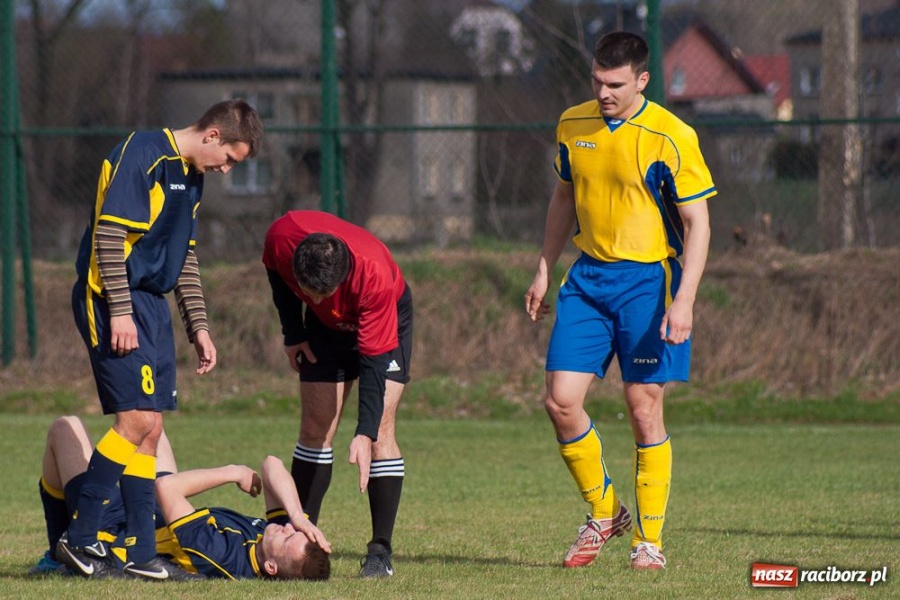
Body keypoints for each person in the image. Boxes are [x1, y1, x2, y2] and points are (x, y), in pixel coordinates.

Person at [524, 31, 715, 571]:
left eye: (615, 84)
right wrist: (544, 268)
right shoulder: (572, 123)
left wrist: (686, 300)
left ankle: (648, 541)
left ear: (642, 80)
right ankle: (605, 512)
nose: (603, 92)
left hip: (649, 283)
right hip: (587, 280)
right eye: (597, 81)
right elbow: (564, 197)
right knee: (560, 401)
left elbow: (699, 222)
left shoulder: (671, 135)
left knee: (642, 405)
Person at [60, 99, 264, 580]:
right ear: (212, 135)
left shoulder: (191, 176)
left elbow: (184, 258)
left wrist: (199, 326)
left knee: (151, 428)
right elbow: (109, 238)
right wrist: (122, 311)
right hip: (114, 298)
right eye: (230, 159)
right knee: (134, 420)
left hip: (150, 305)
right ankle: (81, 538)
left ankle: (141, 551)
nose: (228, 170)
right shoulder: (143, 153)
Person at [262, 210, 412, 578]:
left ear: (342, 277)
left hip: (385, 315)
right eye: (308, 292)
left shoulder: (372, 275)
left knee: (381, 436)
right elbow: (277, 277)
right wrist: (293, 331)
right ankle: (299, 535)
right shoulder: (282, 238)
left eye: (323, 294)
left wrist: (364, 431)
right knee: (315, 427)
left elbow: (375, 364)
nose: (316, 297)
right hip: (323, 331)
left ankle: (380, 554)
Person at [32, 415, 199, 580]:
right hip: (160, 509)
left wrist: (227, 473)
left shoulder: (218, 554)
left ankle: (61, 552)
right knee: (151, 424)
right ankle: (61, 552)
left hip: (109, 526)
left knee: (65, 426)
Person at [155, 455, 332, 580]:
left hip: (145, 519)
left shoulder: (222, 556)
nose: (288, 527)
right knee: (153, 422)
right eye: (295, 530)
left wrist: (233, 473)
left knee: (146, 422)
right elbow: (272, 464)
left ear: (271, 567)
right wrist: (297, 516)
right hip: (160, 504)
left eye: (287, 538)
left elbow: (166, 487)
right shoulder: (271, 541)